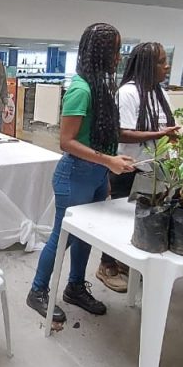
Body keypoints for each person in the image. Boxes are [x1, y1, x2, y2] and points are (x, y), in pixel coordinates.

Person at [25, 23, 135, 322]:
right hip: (74, 176)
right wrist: (109, 160)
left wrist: (155, 134)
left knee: (87, 235)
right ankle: (37, 291)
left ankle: (75, 287)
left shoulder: (101, 88)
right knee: (64, 237)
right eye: (114, 50)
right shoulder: (80, 89)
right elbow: (66, 142)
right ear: (99, 52)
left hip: (97, 175)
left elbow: (109, 132)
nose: (118, 57)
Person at [96, 42, 180, 293]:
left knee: (141, 219)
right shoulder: (127, 93)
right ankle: (106, 264)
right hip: (128, 169)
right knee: (118, 221)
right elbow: (120, 134)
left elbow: (164, 127)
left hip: (153, 171)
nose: (167, 66)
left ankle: (126, 262)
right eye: (161, 61)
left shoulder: (160, 93)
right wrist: (158, 133)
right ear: (146, 65)